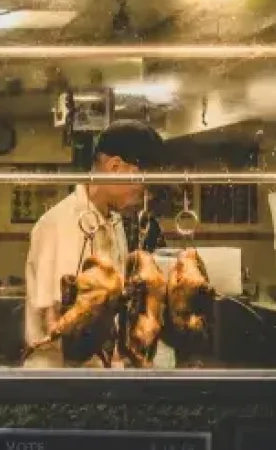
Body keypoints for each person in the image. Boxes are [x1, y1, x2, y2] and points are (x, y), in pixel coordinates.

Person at [23, 120, 166, 368]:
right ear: (115, 167)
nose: (144, 193)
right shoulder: (60, 223)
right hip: (61, 379)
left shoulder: (114, 221)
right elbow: (55, 319)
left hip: (99, 373)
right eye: (141, 181)